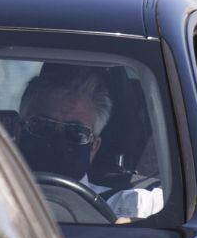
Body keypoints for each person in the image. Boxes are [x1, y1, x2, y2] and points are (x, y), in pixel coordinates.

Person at [16, 64, 163, 221]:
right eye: (43, 126)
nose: (57, 140)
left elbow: (184, 211)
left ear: (94, 147)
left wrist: (137, 229)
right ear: (18, 132)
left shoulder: (133, 205)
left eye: (76, 132)